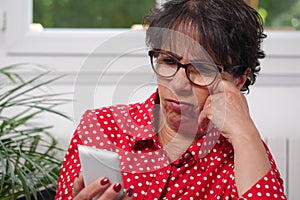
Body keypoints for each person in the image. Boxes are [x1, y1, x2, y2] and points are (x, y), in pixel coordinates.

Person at [55, 0, 287, 199]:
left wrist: (245, 133)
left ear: (238, 79)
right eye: (168, 61)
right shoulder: (102, 128)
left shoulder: (246, 155)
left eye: (201, 68)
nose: (177, 84)